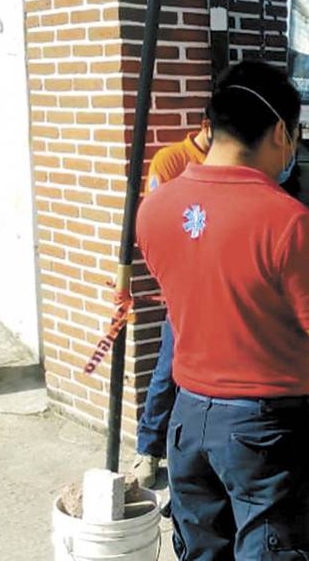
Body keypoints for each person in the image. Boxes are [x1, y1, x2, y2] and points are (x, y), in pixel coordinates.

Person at [137, 60, 309, 558]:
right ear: (281, 131)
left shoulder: (156, 210)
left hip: (187, 421)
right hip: (265, 429)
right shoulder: (287, 220)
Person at [131, 113, 210, 489]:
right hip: (184, 289)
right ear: (208, 126)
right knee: (168, 368)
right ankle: (148, 449)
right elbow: (155, 222)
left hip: (222, 285)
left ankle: (199, 449)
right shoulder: (172, 161)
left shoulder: (230, 166)